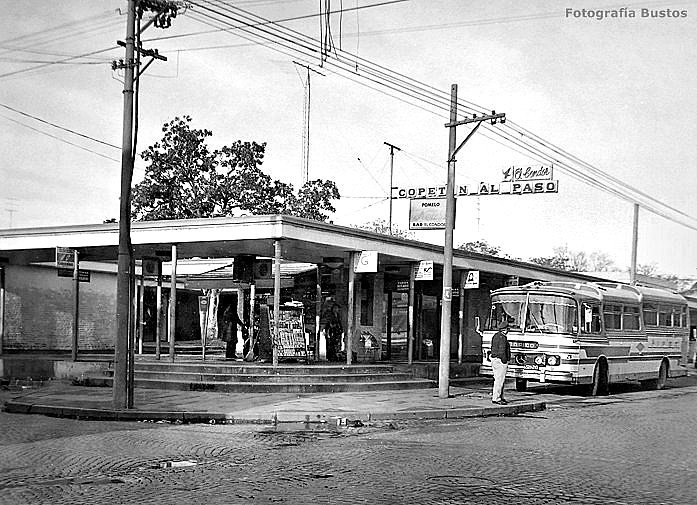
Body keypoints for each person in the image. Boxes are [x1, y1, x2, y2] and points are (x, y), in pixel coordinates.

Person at [490, 319, 511, 405]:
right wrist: (504, 361)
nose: (508, 331)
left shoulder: (495, 336)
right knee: (500, 380)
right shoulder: (503, 338)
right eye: (507, 329)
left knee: (498, 379)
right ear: (505, 329)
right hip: (500, 361)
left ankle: (500, 397)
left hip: (494, 360)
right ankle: (497, 398)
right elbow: (502, 351)